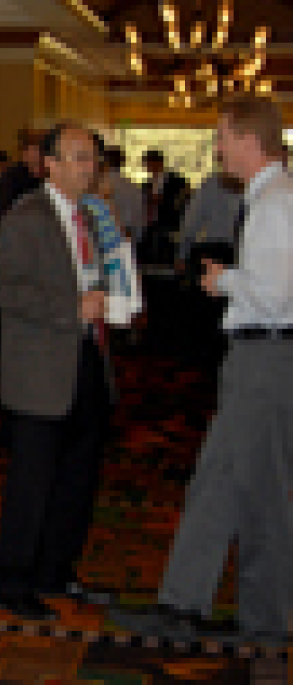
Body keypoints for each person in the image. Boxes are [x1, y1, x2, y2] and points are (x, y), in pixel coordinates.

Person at [110, 96, 293, 647]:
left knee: (237, 485)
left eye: (220, 137)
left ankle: (202, 609)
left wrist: (225, 282)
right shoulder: (273, 199)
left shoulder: (275, 203)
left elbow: (275, 293)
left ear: (247, 138)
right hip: (266, 357)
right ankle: (235, 612)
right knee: (244, 487)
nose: (216, 148)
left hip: (265, 356)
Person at [0, 122, 117, 622]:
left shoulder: (93, 215)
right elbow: (1, 287)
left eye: (93, 158)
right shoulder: (27, 217)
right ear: (50, 165)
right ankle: (12, 580)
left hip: (85, 360)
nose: (89, 167)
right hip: (40, 369)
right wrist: (71, 307)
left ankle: (56, 569)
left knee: (77, 479)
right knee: (32, 483)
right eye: (80, 158)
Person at [0, 128, 45, 232]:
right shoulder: (11, 178)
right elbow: (1, 213)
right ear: (24, 155)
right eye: (34, 150)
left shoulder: (48, 176)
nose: (38, 155)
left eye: (40, 151)